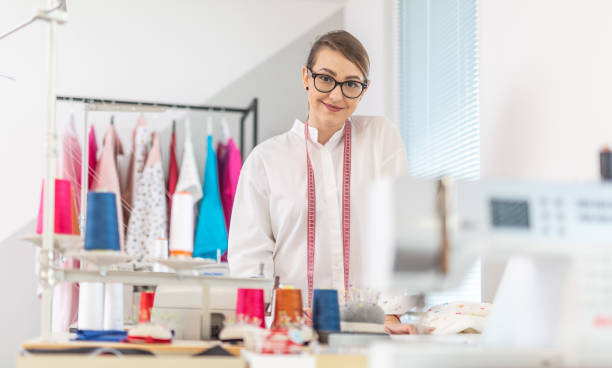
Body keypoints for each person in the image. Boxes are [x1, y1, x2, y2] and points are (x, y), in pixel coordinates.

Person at [228, 30, 415, 333]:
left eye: (351, 84)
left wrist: (391, 312)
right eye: (326, 78)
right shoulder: (265, 161)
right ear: (306, 77)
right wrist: (274, 317)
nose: (337, 95)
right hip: (291, 332)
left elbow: (399, 229)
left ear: (363, 90)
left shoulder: (380, 138)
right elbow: (250, 258)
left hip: (370, 330)